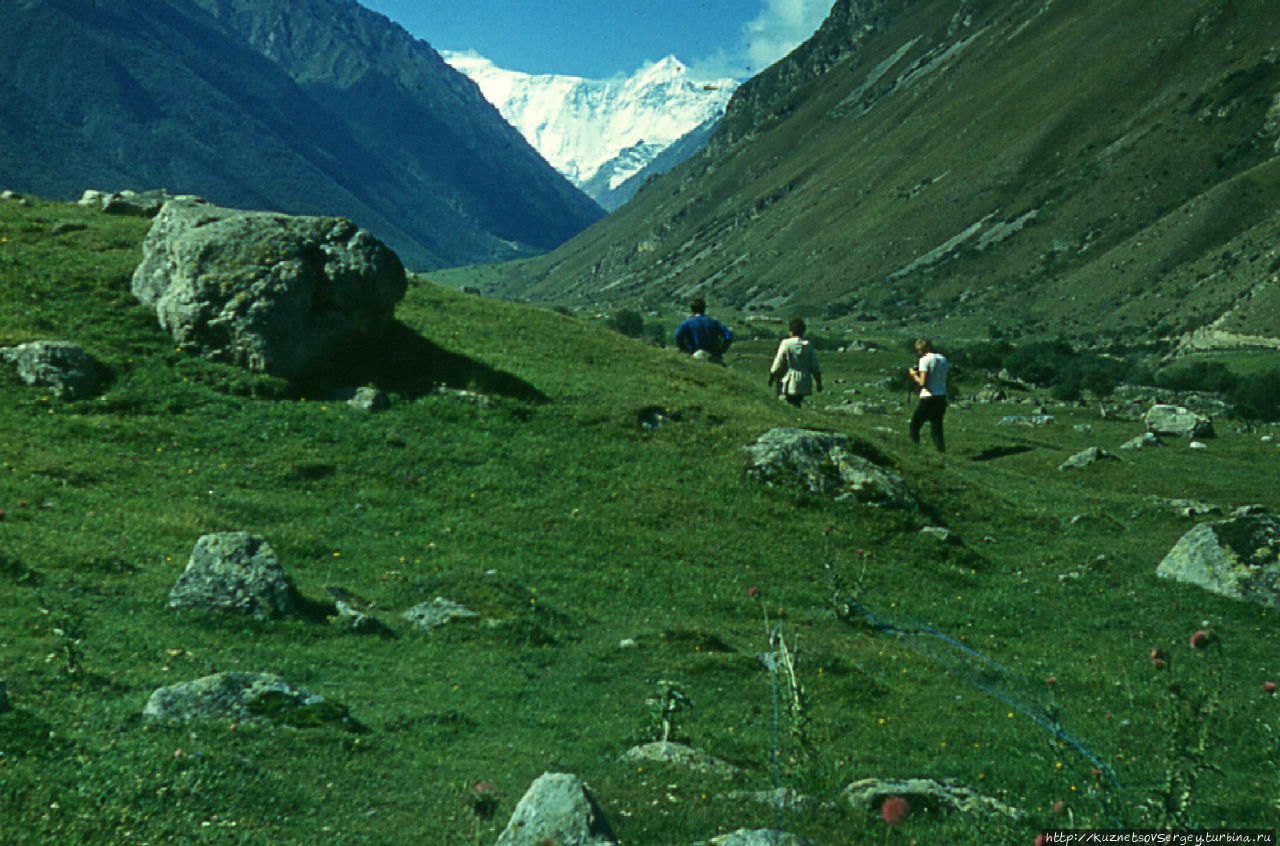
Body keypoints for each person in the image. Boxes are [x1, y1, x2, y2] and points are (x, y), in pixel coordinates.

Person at [769, 318, 823, 408]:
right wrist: (818, 382)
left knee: (787, 403)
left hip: (788, 379)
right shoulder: (808, 346)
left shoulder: (786, 343)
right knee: (797, 403)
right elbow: (815, 367)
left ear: (791, 331)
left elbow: (778, 362)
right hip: (804, 380)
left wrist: (772, 376)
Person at [907, 337, 949, 452]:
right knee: (937, 429)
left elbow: (922, 382)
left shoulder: (925, 360)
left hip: (928, 397)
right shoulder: (943, 359)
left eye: (919, 350)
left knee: (914, 425)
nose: (919, 353)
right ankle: (940, 452)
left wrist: (913, 375)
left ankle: (915, 450)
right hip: (941, 397)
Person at [674, 298, 733, 364]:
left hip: (694, 356)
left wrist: (685, 349)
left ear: (692, 310)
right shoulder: (713, 322)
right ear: (704, 309)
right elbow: (728, 335)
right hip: (712, 356)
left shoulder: (687, 322)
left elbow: (678, 336)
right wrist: (721, 350)